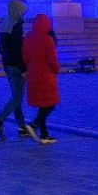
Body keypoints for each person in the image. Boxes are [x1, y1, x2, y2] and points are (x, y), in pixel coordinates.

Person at [0, 0, 30, 140]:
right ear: (17, 11)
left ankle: (21, 126)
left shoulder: (5, 24)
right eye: (22, 12)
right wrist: (23, 67)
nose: (23, 15)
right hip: (16, 66)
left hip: (7, 65)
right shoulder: (16, 26)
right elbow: (17, 50)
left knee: (16, 97)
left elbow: (2, 48)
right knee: (17, 98)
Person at [22, 13, 60, 143]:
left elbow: (25, 57)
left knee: (42, 105)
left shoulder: (28, 38)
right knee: (50, 104)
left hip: (33, 74)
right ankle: (34, 125)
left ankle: (44, 134)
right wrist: (56, 69)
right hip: (46, 76)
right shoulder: (47, 39)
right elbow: (52, 59)